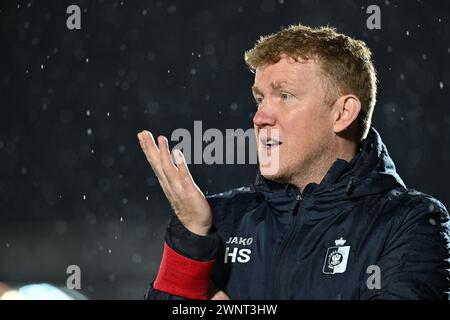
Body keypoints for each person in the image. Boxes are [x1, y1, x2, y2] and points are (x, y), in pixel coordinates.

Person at [137, 24, 450, 300]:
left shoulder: (409, 223)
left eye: (284, 96)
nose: (259, 117)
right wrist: (191, 235)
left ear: (342, 114)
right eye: (260, 99)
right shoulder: (218, 220)